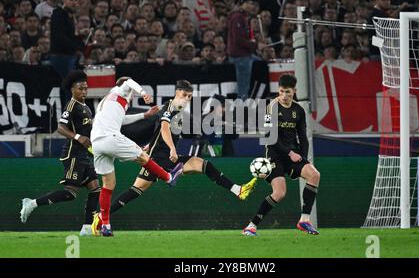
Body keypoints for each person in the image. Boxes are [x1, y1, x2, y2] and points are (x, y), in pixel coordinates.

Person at [98, 81, 256, 220]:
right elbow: (165, 128)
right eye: (184, 94)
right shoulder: (169, 107)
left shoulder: (179, 111)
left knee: (136, 190)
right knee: (136, 190)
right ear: (176, 93)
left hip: (161, 155)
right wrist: (173, 149)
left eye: (189, 96)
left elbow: (158, 130)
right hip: (159, 158)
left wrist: (150, 144)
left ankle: (238, 190)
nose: (187, 98)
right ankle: (101, 216)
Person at [90, 76, 184, 237]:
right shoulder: (120, 90)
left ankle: (105, 225)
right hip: (110, 137)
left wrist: (144, 115)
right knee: (144, 156)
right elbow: (128, 81)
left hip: (97, 142)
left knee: (108, 185)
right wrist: (142, 92)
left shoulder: (107, 102)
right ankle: (169, 177)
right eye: (131, 92)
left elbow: (121, 120)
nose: (132, 95)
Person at [19, 70, 100, 236]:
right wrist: (78, 137)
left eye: (86, 88)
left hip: (84, 155)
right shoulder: (71, 106)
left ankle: (86, 228)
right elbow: (60, 128)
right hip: (73, 155)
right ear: (72, 89)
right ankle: (32, 203)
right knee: (70, 194)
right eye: (80, 89)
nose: (84, 92)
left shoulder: (85, 106)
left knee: (96, 189)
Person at [242, 74, 321, 236]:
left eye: (288, 92)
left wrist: (303, 159)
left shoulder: (299, 110)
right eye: (282, 92)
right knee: (279, 193)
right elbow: (270, 137)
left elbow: (303, 137)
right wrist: (291, 153)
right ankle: (251, 226)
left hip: (293, 155)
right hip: (275, 155)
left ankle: (304, 220)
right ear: (278, 90)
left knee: (314, 175)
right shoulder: (270, 107)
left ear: (295, 91)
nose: (285, 96)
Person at [227, 0, 259, 100]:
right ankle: (242, 109)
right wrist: (254, 44)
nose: (252, 6)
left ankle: (256, 97)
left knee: (261, 63)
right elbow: (238, 40)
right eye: (249, 3)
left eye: (253, 4)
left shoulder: (244, 17)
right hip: (240, 56)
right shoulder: (237, 17)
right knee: (243, 87)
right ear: (242, 3)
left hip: (246, 54)